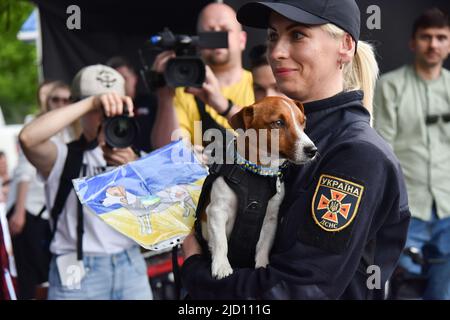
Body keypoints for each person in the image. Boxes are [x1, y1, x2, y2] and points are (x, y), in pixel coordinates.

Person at [180, 0, 411, 299]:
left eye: (298, 35)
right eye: (273, 35)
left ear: (344, 46)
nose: (276, 51)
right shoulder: (283, 138)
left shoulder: (357, 156)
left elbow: (297, 291)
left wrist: (195, 268)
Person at [19, 65, 152, 300]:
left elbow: (157, 214)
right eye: (99, 108)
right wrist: (91, 103)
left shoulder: (135, 158)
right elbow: (28, 138)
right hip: (75, 265)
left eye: (114, 107)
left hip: (130, 262)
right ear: (77, 107)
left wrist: (133, 171)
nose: (105, 115)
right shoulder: (63, 156)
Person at [373, 8, 450, 300]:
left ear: (449, 44)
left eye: (441, 37)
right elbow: (384, 149)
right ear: (413, 42)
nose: (433, 44)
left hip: (447, 208)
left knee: (443, 293)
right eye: (426, 37)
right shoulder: (390, 86)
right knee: (403, 292)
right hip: (408, 210)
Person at [6, 81, 77, 300]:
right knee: (32, 281)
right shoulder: (36, 125)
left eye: (67, 99)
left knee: (58, 277)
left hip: (54, 217)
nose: (61, 104)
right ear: (47, 102)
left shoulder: (74, 130)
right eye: (55, 99)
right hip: (28, 212)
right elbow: (23, 172)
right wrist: (19, 212)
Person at [150, 2, 254, 148]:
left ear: (242, 40)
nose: (217, 36)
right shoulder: (183, 91)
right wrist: (165, 98)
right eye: (210, 32)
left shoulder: (261, 86)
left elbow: (272, 145)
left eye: (225, 30)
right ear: (198, 42)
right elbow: (168, 153)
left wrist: (224, 106)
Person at [107, 56, 157, 153]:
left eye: (124, 78)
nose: (120, 83)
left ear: (134, 78)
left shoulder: (151, 102)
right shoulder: (105, 108)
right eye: (115, 80)